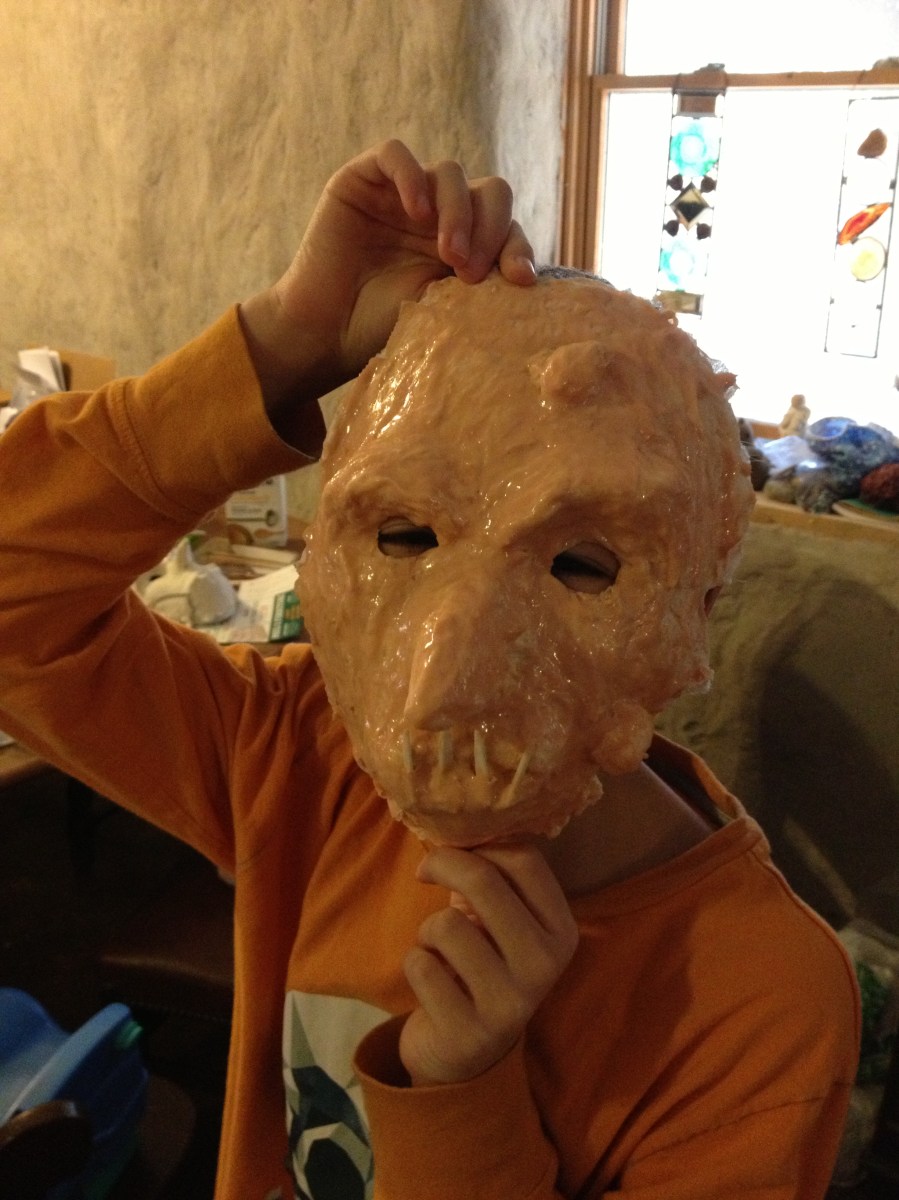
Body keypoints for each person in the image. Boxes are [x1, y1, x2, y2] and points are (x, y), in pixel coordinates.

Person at [0, 140, 858, 1199]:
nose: (445, 676)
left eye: (580, 566)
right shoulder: (299, 756)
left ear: (694, 612)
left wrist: (462, 1098)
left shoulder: (760, 1007)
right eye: (403, 536)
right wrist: (287, 342)